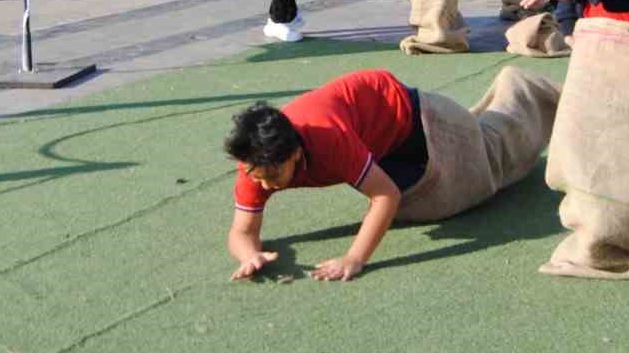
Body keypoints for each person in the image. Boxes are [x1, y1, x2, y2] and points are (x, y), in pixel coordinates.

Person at [222, 65, 561, 281]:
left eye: (273, 175)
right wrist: (249, 255)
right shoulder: (254, 160)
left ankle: (523, 88)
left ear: (295, 153)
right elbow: (242, 231)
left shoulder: (329, 139)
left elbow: (385, 196)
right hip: (380, 143)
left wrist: (354, 259)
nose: (266, 184)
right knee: (416, 208)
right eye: (257, 177)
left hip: (418, 121)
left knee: (491, 167)